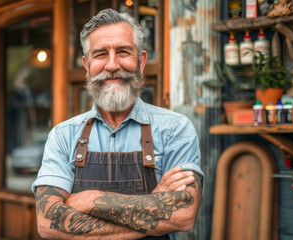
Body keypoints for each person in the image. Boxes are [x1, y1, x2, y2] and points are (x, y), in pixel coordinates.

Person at [32, 8, 203, 240]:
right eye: (100, 54)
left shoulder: (175, 129)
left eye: (123, 52)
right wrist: (154, 205)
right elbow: (48, 223)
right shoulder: (63, 135)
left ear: (141, 61)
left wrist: (88, 200)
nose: (112, 65)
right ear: (86, 65)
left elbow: (182, 215)